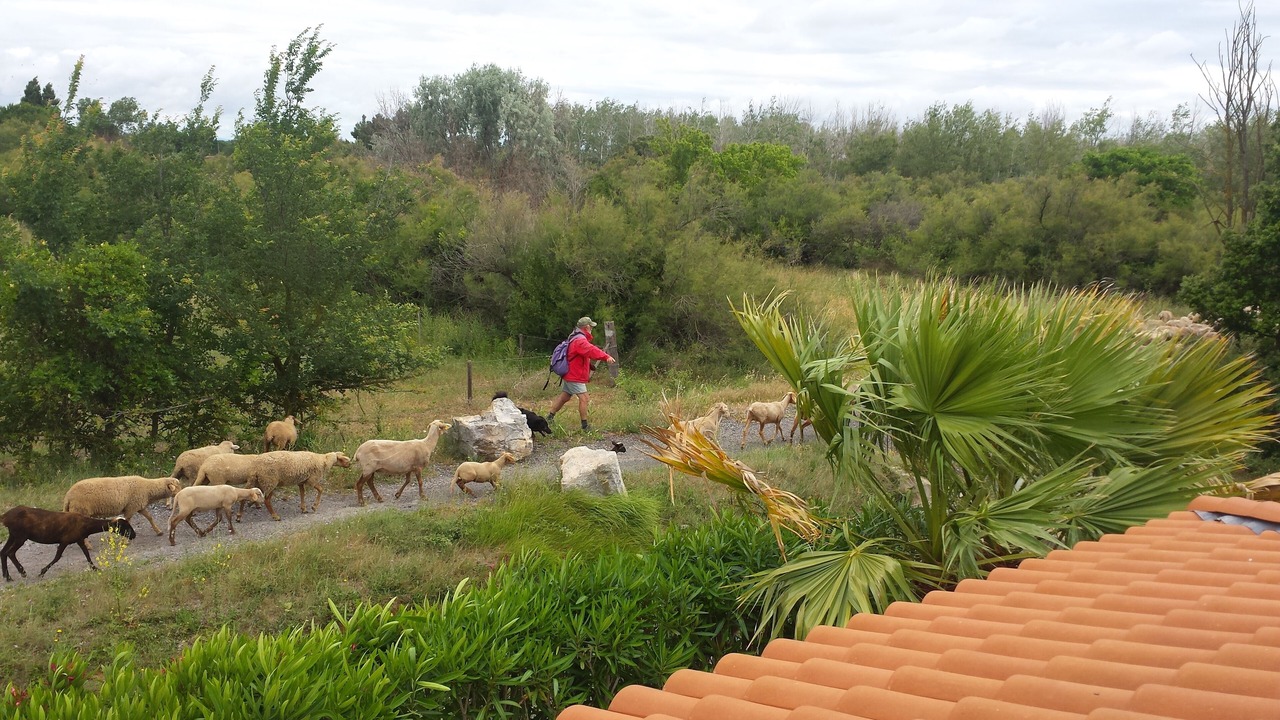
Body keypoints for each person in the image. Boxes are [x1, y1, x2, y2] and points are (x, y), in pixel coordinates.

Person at [546, 317, 614, 431]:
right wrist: (606, 357)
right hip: (574, 375)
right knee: (584, 398)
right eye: (591, 326)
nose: (592, 328)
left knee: (565, 396)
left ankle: (549, 417)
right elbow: (591, 350)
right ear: (586, 327)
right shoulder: (580, 340)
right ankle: (585, 426)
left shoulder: (575, 337)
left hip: (570, 373)